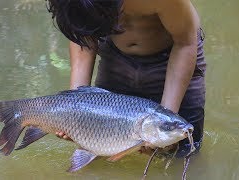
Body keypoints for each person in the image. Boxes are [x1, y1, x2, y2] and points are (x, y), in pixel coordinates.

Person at [46, 0, 206, 157]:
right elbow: (83, 40)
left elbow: (185, 43)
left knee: (183, 152)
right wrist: (75, 114)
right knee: (96, 150)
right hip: (115, 55)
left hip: (173, 55)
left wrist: (165, 123)